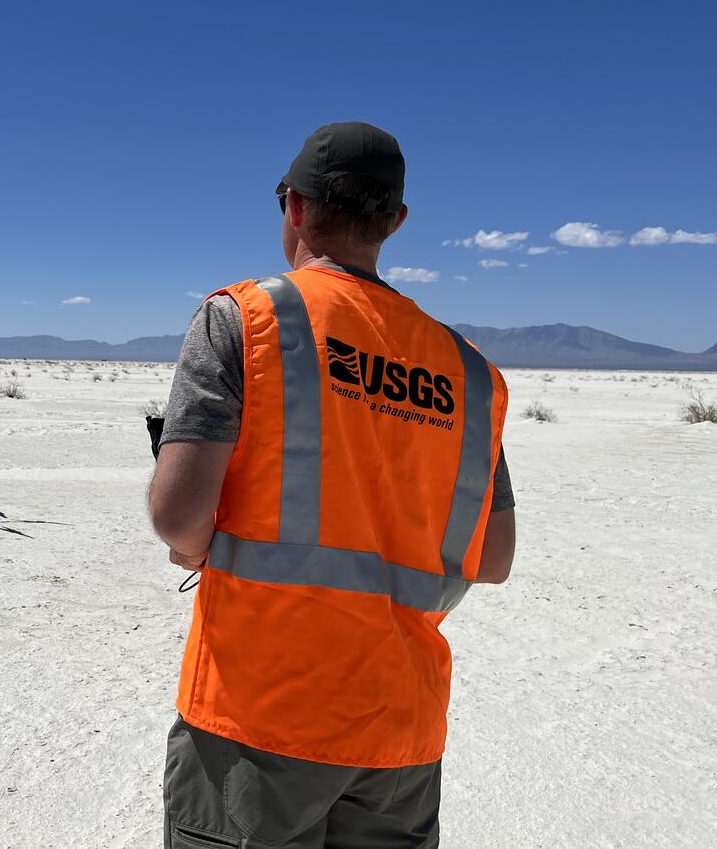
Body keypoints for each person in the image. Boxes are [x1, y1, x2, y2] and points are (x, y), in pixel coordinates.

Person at [148, 122, 516, 849]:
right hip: (400, 731)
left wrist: (198, 545)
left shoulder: (247, 318)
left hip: (259, 715)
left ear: (294, 207)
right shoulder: (470, 373)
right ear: (396, 222)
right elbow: (494, 559)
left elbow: (177, 514)